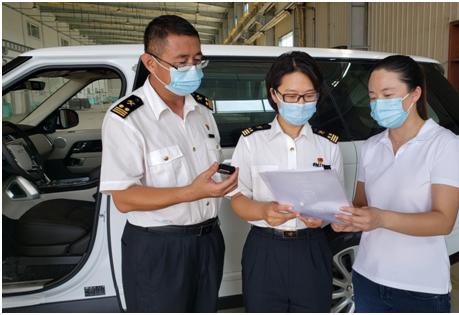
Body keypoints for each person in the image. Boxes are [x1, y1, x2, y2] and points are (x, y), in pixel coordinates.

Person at [99, 15, 238, 312]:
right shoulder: (127, 119)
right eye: (182, 62)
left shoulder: (202, 110)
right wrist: (193, 192)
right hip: (158, 249)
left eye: (198, 61)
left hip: (209, 241)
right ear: (150, 62)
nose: (193, 69)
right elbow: (124, 198)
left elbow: (207, 172)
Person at [332, 55, 459, 312]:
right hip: (367, 276)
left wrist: (382, 219)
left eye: (387, 94)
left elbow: (443, 221)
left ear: (415, 94)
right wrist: (346, 217)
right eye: (372, 96)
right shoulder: (372, 146)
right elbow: (361, 204)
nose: (377, 103)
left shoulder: (443, 144)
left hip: (420, 287)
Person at [228, 51, 343, 312]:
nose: (300, 102)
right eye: (291, 96)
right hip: (264, 248)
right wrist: (263, 211)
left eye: (309, 95)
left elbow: (335, 205)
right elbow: (236, 197)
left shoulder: (328, 145)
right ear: (274, 95)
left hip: (312, 247)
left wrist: (323, 218)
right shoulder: (251, 142)